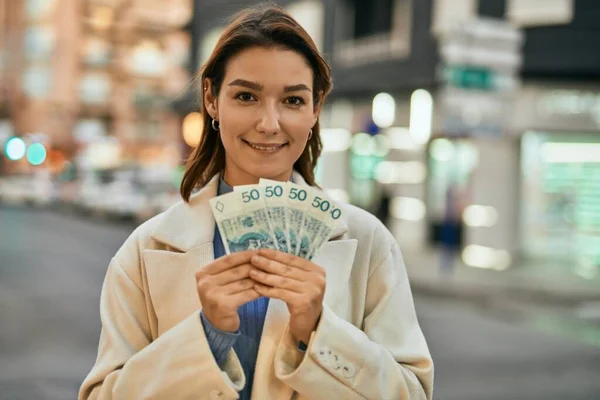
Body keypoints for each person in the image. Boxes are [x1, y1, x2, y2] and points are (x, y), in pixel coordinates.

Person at [79, 4, 433, 400]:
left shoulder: (370, 244)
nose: (269, 123)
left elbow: (412, 394)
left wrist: (318, 330)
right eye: (246, 96)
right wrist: (207, 335)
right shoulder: (144, 252)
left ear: (316, 107)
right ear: (212, 100)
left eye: (293, 101)